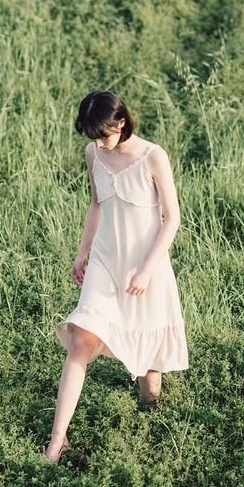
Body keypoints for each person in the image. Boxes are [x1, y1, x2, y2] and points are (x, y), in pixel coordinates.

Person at [44, 90, 189, 463]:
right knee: (80, 341)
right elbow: (96, 204)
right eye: (92, 137)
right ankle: (57, 440)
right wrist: (82, 253)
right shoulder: (94, 153)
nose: (98, 144)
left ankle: (150, 420)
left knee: (150, 366)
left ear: (122, 123)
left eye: (103, 136)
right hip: (105, 263)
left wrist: (146, 270)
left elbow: (172, 219)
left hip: (145, 266)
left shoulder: (153, 156)